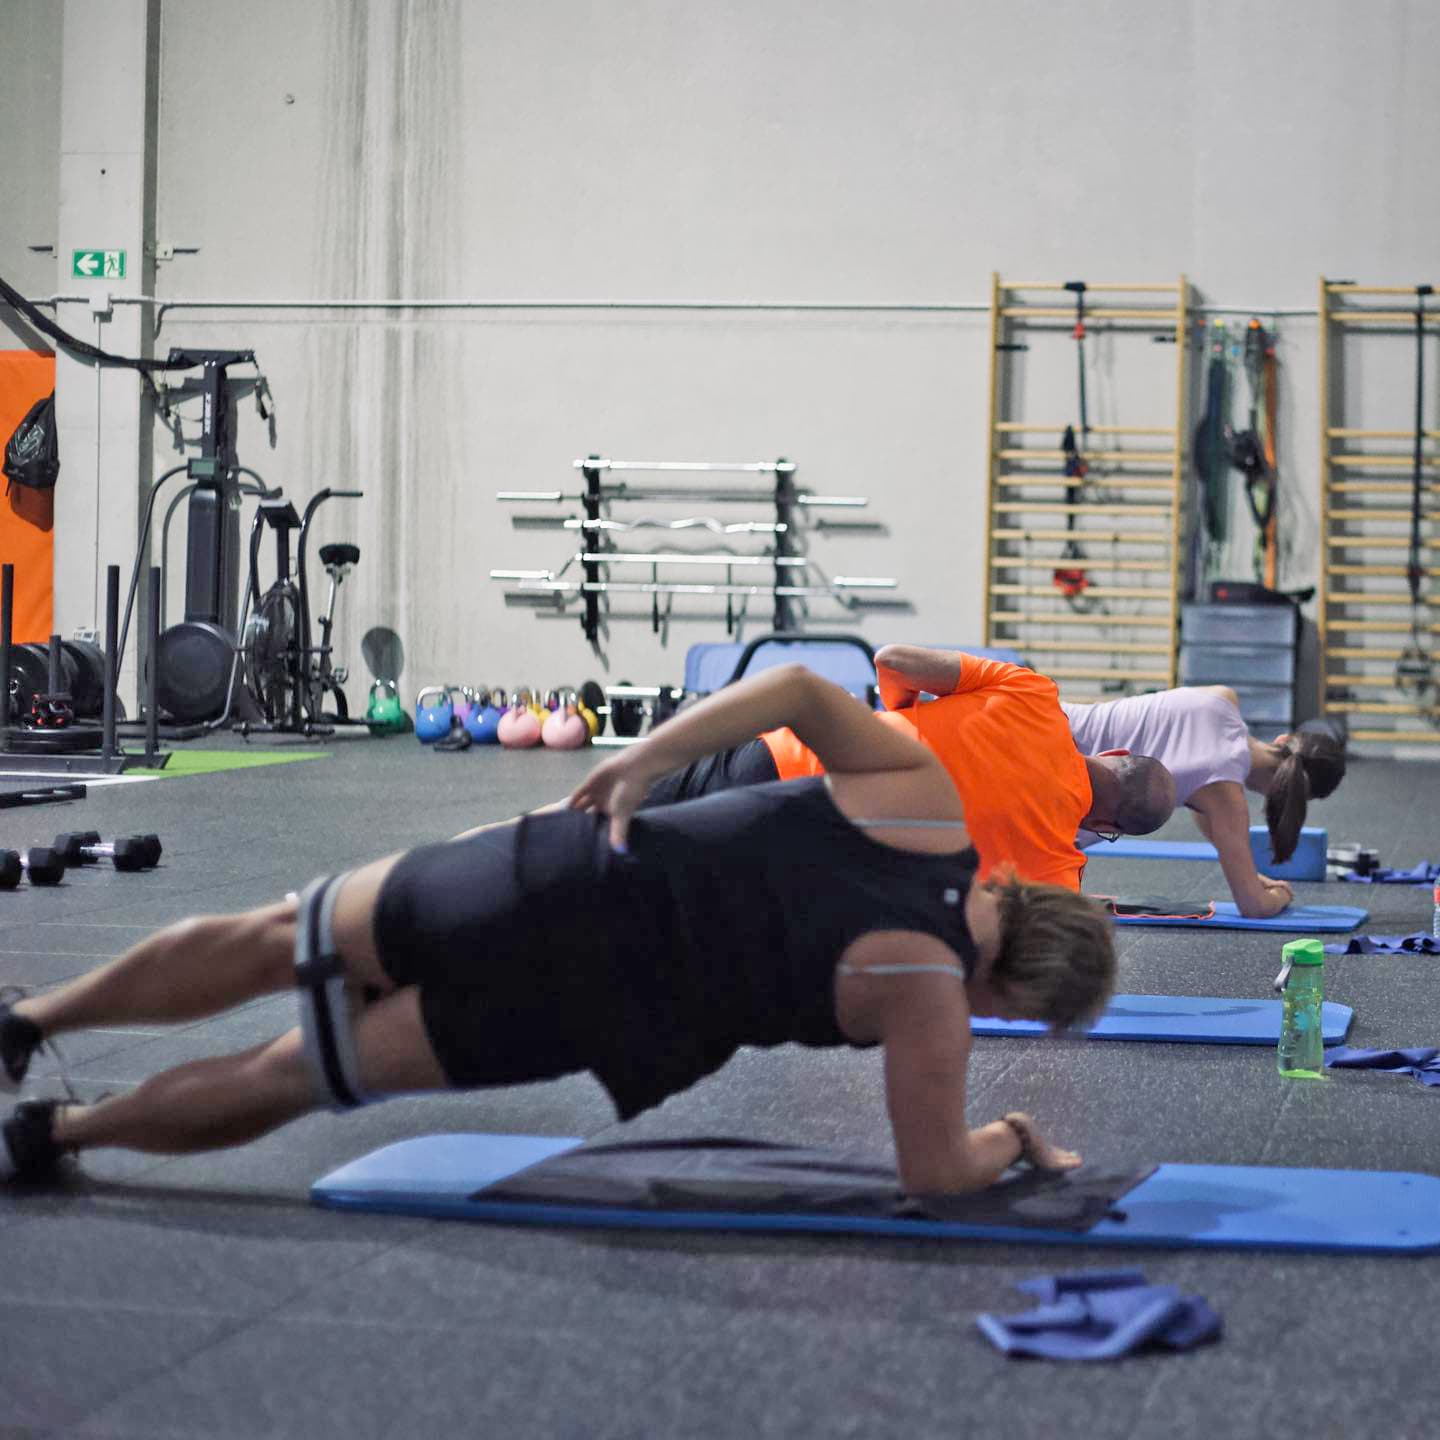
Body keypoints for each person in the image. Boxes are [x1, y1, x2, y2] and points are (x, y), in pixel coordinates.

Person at [0, 665, 1116, 1195]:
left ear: (1027, 895)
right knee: (296, 1074)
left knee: (272, 935)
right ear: (1016, 992)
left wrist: (643, 757)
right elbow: (934, 1176)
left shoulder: (921, 806)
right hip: (577, 1007)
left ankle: (32, 1019)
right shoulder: (931, 1004)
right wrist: (1011, 1135)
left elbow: (795, 690)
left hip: (551, 873)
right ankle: (58, 1137)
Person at [636, 646, 1176, 890]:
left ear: (1112, 754)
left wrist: (899, 721)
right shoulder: (1056, 871)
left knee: (605, 817)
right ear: (1108, 828)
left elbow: (892, 660)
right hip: (802, 853)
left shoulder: (1033, 694)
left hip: (785, 760)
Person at [1063, 686, 1347, 918]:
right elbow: (1255, 906)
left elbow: (1197, 791)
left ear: (1283, 739)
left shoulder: (1223, 698)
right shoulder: (1225, 798)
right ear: (1293, 795)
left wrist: (1247, 871)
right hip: (1050, 793)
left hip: (1043, 716)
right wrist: (1282, 894)